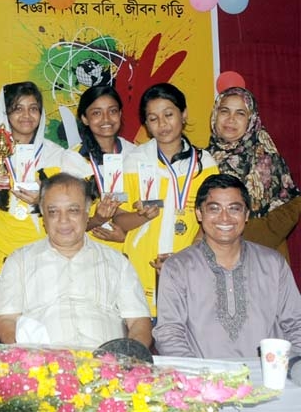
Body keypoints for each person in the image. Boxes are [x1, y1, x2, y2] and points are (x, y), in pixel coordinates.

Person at [0, 82, 91, 341]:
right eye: (17, 109)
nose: (26, 116)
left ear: (41, 114)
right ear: (5, 114)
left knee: (45, 342)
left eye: (33, 108)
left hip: (45, 263)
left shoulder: (57, 157)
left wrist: (42, 202)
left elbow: (75, 210)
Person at [0, 173, 152, 349]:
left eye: (73, 210)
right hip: (44, 366)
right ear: (44, 217)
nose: (63, 220)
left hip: (107, 365)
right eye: (53, 212)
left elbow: (139, 321)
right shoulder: (19, 262)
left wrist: (128, 359)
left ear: (86, 214)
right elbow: (6, 320)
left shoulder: (117, 262)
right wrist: (28, 358)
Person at [154, 174, 301, 358]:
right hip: (206, 380)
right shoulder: (178, 268)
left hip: (268, 378)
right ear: (199, 213)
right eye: (214, 209)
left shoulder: (273, 263)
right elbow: (169, 334)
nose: (225, 218)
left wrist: (287, 371)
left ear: (246, 215)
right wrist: (202, 380)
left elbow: (297, 324)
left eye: (234, 209)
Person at [114, 83, 218, 316]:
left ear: (184, 114)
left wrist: (187, 258)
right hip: (141, 266)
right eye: (153, 118)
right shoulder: (133, 162)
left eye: (168, 114)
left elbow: (211, 222)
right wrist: (140, 216)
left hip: (190, 266)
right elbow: (119, 220)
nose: (162, 124)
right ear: (147, 125)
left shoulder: (206, 164)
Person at [206, 87, 301, 259]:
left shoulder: (268, 159)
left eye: (240, 113)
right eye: (224, 111)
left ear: (252, 120)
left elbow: (290, 209)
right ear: (215, 115)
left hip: (262, 258)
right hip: (210, 258)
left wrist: (238, 244)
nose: (231, 119)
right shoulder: (201, 161)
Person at [74, 85, 135, 251]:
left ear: (120, 114)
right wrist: (97, 219)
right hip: (87, 253)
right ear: (84, 118)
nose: (106, 119)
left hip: (128, 253)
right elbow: (66, 221)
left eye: (112, 111)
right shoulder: (72, 159)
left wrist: (126, 237)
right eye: (96, 113)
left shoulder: (137, 154)